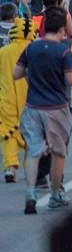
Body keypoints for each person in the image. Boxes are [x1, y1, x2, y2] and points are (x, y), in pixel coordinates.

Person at [14, 8, 72, 214]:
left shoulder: (31, 48)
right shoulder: (63, 51)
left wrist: (33, 75)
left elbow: (17, 73)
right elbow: (71, 79)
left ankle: (30, 192)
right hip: (56, 107)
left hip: (32, 105)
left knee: (33, 151)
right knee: (58, 151)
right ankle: (55, 194)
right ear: (62, 29)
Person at [0, 16, 34, 184]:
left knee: (8, 134)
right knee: (32, 134)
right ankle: (31, 168)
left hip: (6, 99)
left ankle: (10, 167)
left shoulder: (3, 52)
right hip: (31, 99)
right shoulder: (35, 49)